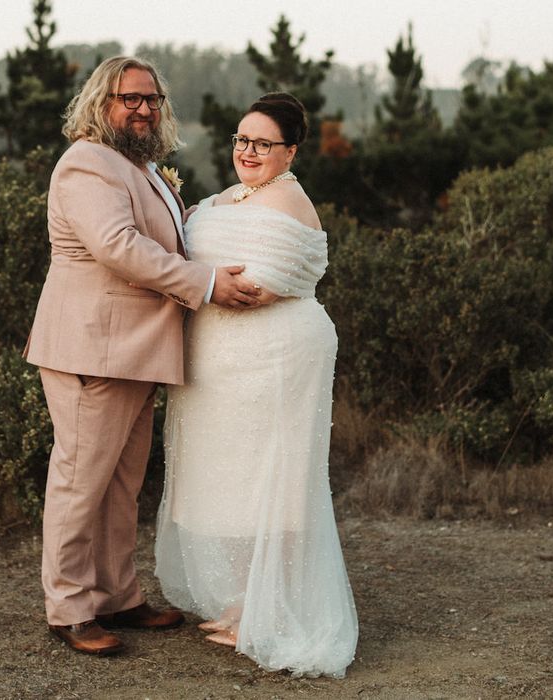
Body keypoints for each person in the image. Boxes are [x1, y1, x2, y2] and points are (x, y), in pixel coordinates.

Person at [23, 56, 261, 657]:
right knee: (81, 482)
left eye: (151, 99)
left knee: (122, 484)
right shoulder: (86, 163)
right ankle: (70, 608)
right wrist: (205, 284)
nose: (143, 108)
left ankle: (119, 596)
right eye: (129, 98)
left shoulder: (144, 167)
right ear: (102, 103)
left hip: (137, 352)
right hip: (93, 350)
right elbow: (118, 246)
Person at [155, 93, 359, 677]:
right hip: (223, 360)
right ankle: (245, 601)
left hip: (274, 357)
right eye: (242, 140)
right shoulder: (237, 195)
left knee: (272, 479)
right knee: (231, 480)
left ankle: (267, 611)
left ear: (289, 151)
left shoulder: (290, 200)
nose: (248, 151)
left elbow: (257, 288)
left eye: (263, 143)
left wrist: (204, 272)